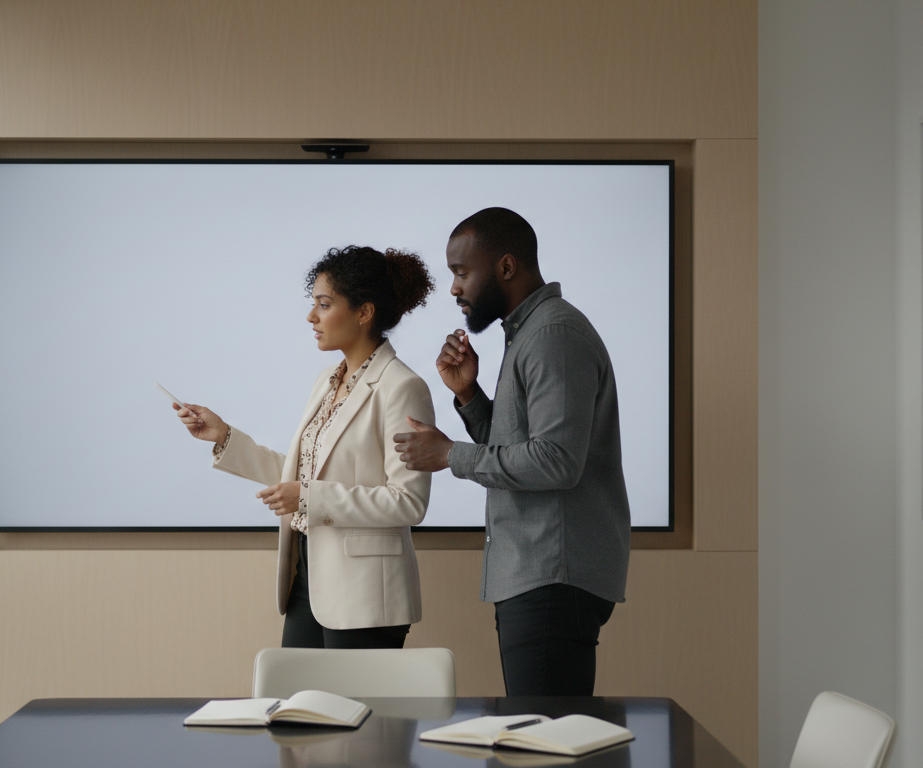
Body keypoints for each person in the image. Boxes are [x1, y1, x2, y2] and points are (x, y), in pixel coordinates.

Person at [393, 207, 631, 695]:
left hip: (551, 579)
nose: (454, 288)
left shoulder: (552, 335)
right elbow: (522, 451)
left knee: (545, 730)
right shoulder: (530, 333)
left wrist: (450, 455)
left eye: (462, 272)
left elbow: (556, 462)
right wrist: (469, 396)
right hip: (541, 577)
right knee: (541, 727)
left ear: (505, 266)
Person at [174, 246, 437, 649]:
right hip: (306, 576)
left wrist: (309, 498)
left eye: (324, 304)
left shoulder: (402, 387)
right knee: (295, 690)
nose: (311, 316)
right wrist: (224, 436)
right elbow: (302, 474)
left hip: (366, 593)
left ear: (364, 312)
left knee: (353, 694)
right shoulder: (326, 381)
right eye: (313, 303)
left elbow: (408, 502)